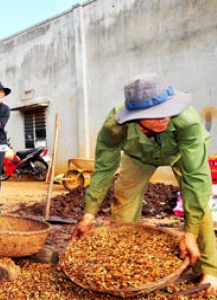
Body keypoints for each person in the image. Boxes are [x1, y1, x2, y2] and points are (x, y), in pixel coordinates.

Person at [72, 72, 217, 293]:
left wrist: (190, 233)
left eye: (166, 111)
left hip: (181, 155)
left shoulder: (187, 121)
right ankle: (124, 258)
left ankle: (209, 270)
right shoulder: (115, 126)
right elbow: (104, 168)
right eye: (156, 114)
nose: (164, 118)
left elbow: (196, 178)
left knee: (198, 206)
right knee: (123, 200)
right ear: (135, 115)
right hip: (138, 157)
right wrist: (90, 211)